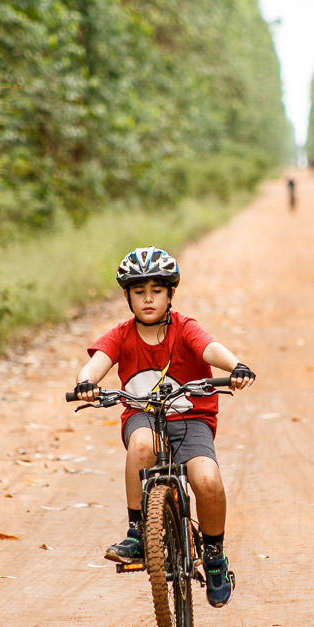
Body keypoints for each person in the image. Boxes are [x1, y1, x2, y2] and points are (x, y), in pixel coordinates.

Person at [73, 247, 256, 607]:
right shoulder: (122, 335)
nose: (148, 299)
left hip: (191, 417)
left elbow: (209, 348)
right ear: (127, 297)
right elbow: (97, 363)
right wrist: (86, 383)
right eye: (139, 292)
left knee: (206, 479)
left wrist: (235, 366)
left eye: (156, 291)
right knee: (142, 444)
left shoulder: (184, 328)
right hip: (142, 415)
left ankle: (214, 556)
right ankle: (137, 533)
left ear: (170, 294)